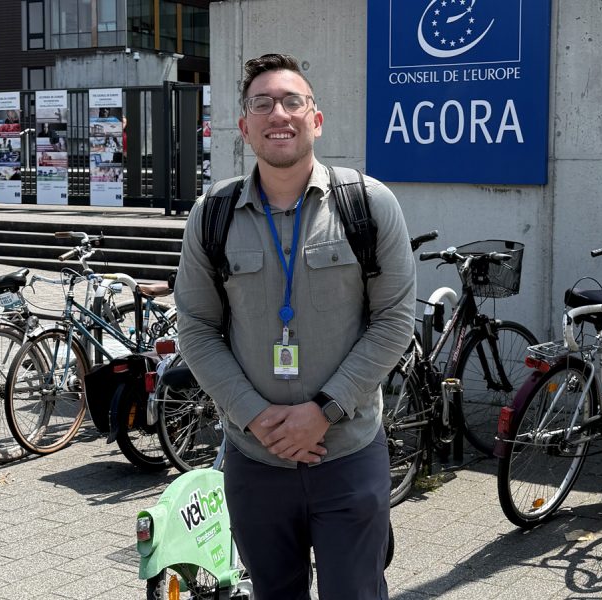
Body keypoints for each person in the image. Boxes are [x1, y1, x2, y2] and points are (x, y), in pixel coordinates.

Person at [174, 53, 416, 599]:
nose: (277, 113)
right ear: (243, 127)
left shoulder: (369, 205)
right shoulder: (211, 214)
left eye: (292, 101)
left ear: (316, 119)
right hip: (255, 462)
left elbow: (395, 320)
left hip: (348, 455)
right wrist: (256, 417)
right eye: (262, 103)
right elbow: (196, 327)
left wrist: (323, 412)